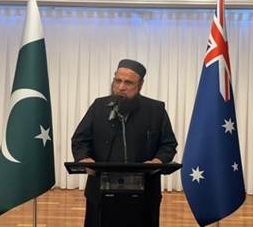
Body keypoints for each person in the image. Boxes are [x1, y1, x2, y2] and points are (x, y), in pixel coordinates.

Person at [71, 59, 177, 227]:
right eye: (117, 80)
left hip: (143, 193)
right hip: (101, 191)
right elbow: (80, 139)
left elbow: (168, 144)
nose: (121, 87)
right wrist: (84, 159)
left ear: (140, 85)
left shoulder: (155, 110)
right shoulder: (99, 106)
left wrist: (157, 161)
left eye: (128, 83)